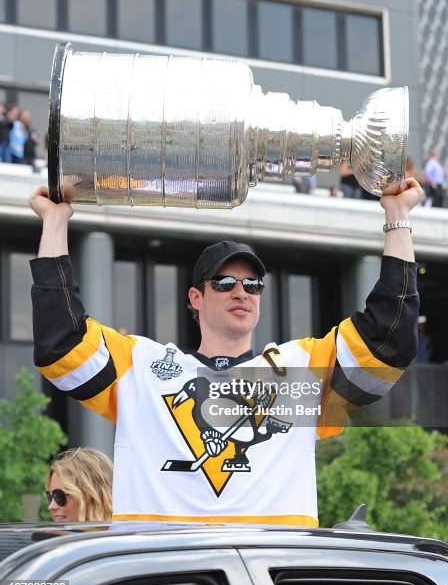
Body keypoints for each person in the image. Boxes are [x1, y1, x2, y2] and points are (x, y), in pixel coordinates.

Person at [29, 178, 422, 526]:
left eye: (253, 286)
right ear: (195, 297)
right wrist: (55, 221)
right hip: (162, 578)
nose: (241, 292)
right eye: (226, 282)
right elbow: (62, 342)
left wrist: (397, 218)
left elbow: (386, 343)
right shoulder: (143, 365)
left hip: (264, 578)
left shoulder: (298, 368)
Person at [45, 447, 113, 522]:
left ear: (90, 496)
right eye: (50, 497)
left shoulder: (122, 531)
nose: (51, 506)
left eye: (59, 496)